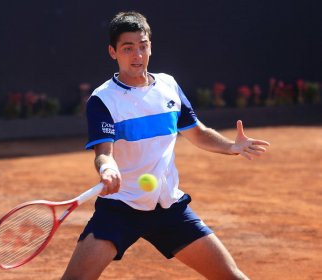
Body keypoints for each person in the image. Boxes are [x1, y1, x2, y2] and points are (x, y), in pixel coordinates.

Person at [61, 11, 270, 280]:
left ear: (150, 46)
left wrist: (231, 146)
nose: (137, 55)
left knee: (231, 276)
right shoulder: (102, 100)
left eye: (143, 46)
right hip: (120, 209)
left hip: (169, 208)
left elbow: (198, 133)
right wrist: (107, 169)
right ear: (113, 52)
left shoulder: (169, 86)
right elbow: (104, 153)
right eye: (128, 48)